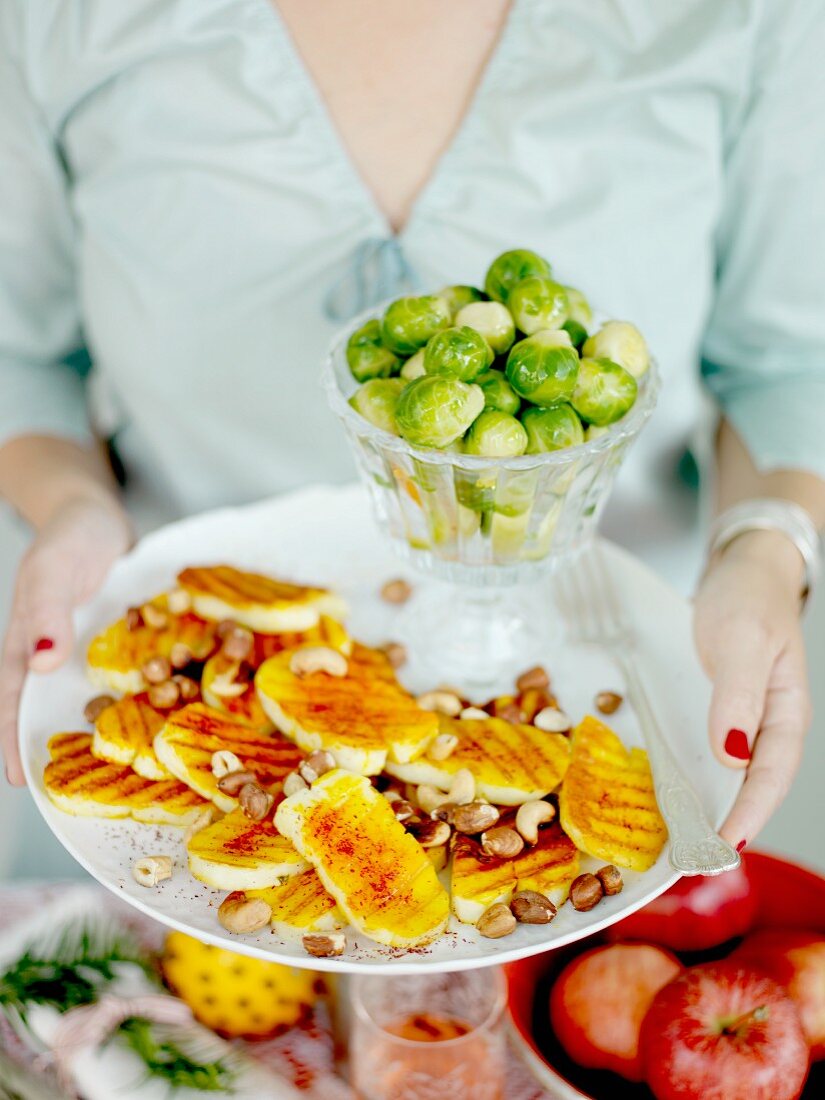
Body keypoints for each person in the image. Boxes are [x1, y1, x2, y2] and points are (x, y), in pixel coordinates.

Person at [1, 0, 823, 856]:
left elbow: (789, 362)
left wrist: (764, 548)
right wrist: (68, 508)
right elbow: (17, 353)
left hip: (611, 713)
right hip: (192, 708)